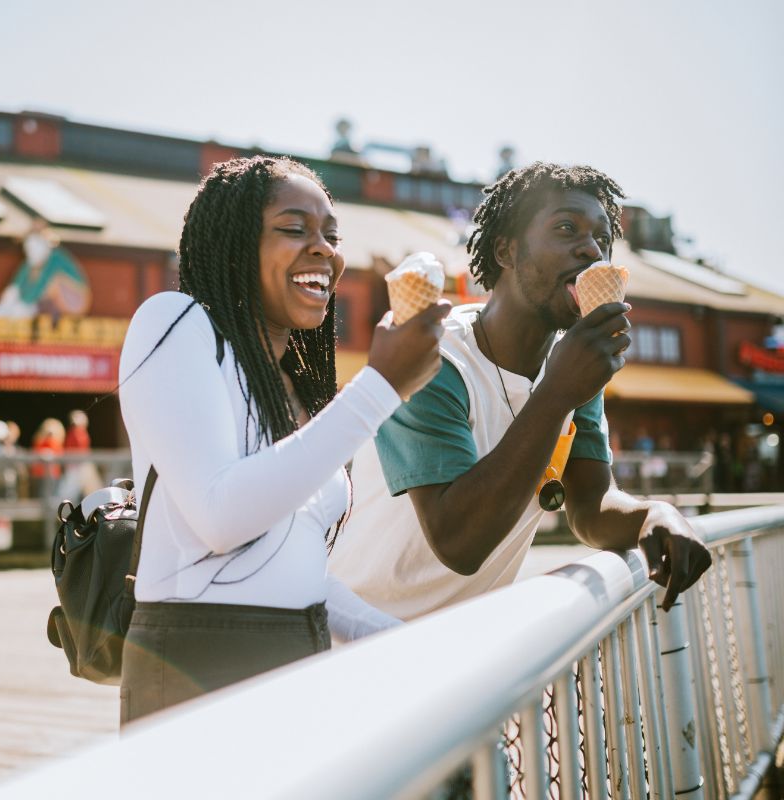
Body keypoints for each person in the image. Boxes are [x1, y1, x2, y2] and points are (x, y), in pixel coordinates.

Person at [117, 155, 448, 725]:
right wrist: (381, 388)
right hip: (200, 668)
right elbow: (220, 517)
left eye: (331, 235)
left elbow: (293, 570)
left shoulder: (292, 389)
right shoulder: (173, 322)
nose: (324, 249)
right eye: (294, 229)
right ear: (235, 246)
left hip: (299, 663)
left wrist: (400, 640)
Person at [328, 162, 712, 622]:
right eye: (567, 228)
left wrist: (655, 514)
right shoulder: (434, 357)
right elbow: (459, 543)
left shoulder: (572, 367)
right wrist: (556, 394)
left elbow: (590, 507)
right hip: (353, 639)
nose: (592, 249)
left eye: (603, 238)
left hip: (464, 647)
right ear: (506, 250)